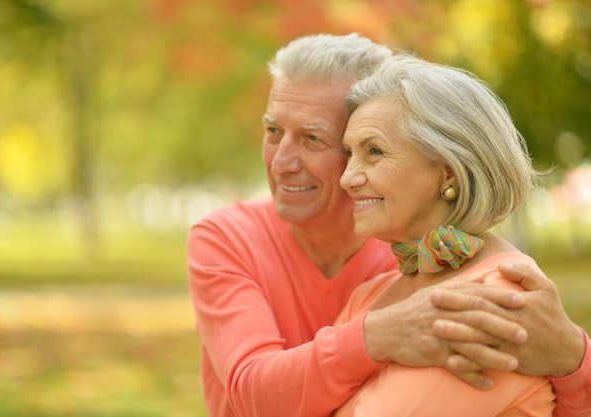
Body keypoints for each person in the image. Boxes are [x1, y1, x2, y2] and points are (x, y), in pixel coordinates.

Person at [186, 33, 591, 417]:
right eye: (273, 131)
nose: (280, 163)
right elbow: (254, 393)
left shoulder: (484, 292)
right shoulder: (383, 285)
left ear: (447, 171)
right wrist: (377, 335)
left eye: (314, 139)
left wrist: (574, 358)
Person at [334, 52, 555, 416]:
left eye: (373, 151)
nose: (346, 179)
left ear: (449, 171)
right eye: (349, 154)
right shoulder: (370, 294)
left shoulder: (500, 295)